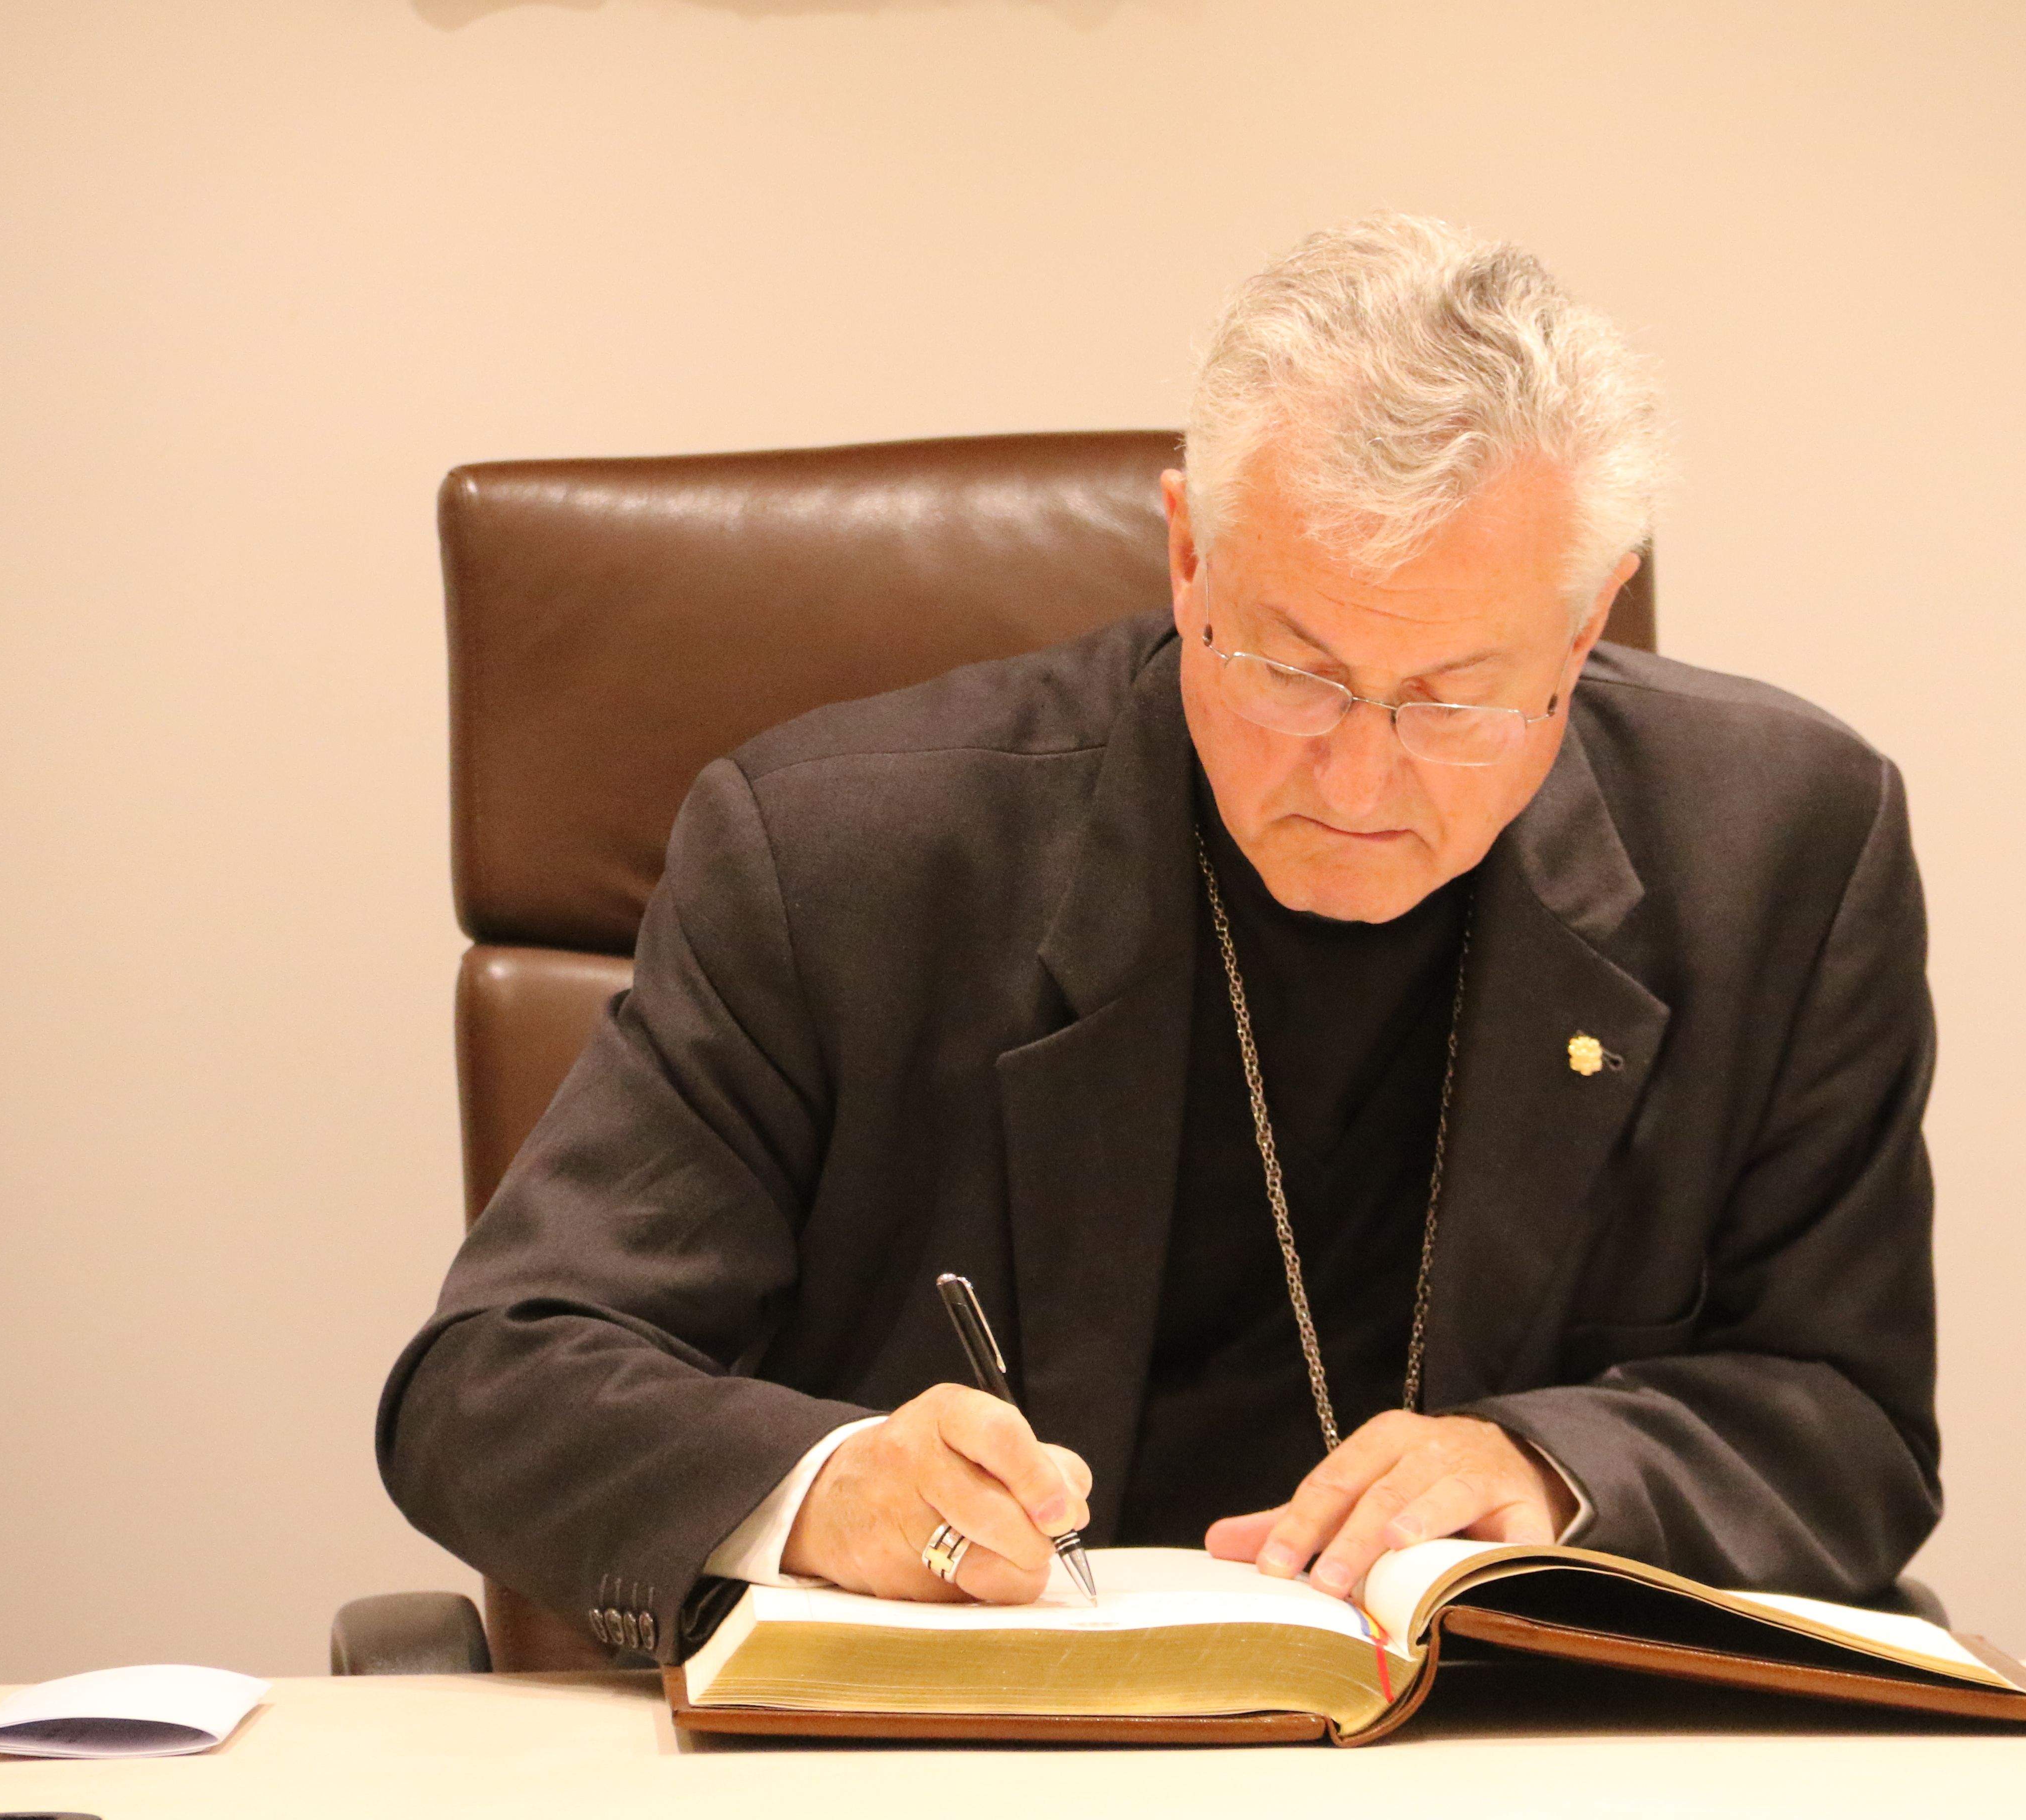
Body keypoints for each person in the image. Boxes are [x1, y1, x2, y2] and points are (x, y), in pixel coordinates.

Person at [378, 215, 1940, 1654]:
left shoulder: (1780, 853)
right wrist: (825, 1485)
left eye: (1455, 701)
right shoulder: (840, 861)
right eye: (1295, 672)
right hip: (964, 1762)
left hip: (1509, 1758)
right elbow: (494, 1380)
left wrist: (1554, 1471)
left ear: (1586, 626)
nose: (1358, 781)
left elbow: (1849, 1423)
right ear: (1189, 555)